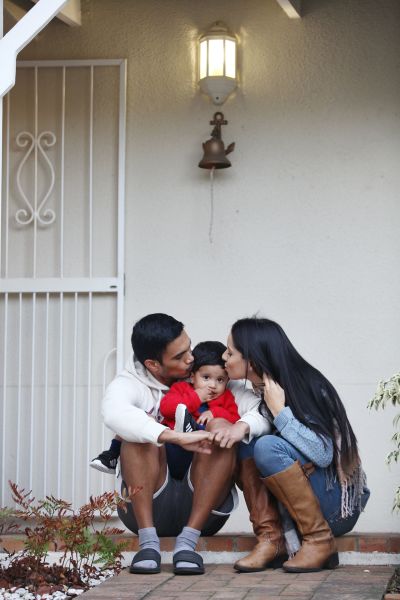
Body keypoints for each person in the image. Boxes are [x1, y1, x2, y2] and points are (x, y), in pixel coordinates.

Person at [102, 313, 269, 575]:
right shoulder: (131, 382)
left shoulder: (213, 377)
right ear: (153, 365)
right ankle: (148, 544)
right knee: (138, 436)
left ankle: (188, 543)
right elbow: (113, 412)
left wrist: (238, 426)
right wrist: (171, 435)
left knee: (220, 432)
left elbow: (264, 411)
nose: (190, 358)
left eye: (189, 348)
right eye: (179, 357)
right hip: (148, 506)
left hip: (205, 511)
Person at [216, 317, 370, 574]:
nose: (224, 357)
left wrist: (280, 413)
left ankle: (320, 541)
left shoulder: (306, 385)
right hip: (301, 508)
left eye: (230, 352)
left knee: (266, 446)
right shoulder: (259, 389)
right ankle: (271, 539)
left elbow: (322, 454)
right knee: (246, 441)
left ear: (251, 361)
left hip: (336, 508)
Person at [90, 341, 240, 475]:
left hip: (202, 455)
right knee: (140, 420)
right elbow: (166, 408)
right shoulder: (182, 388)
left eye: (220, 380)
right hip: (170, 450)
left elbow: (235, 418)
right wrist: (196, 397)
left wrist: (215, 412)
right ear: (193, 376)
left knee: (221, 428)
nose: (212, 385)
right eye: (206, 378)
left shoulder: (225, 397)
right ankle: (112, 453)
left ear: (227, 380)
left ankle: (190, 427)